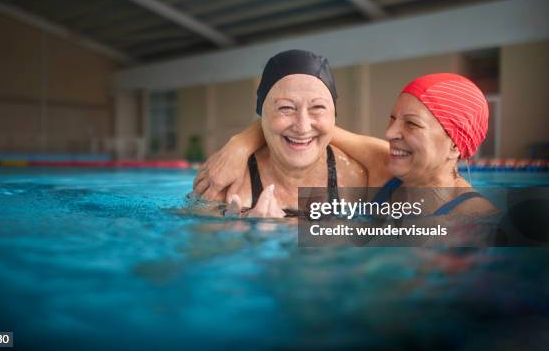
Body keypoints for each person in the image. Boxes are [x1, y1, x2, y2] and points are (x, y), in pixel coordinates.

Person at [195, 73, 496, 217]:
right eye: (393, 118)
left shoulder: (475, 217)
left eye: (411, 124)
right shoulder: (386, 168)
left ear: (456, 146)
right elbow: (316, 129)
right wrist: (240, 144)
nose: (390, 132)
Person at [191, 49, 367, 218]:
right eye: (286, 108)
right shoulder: (227, 184)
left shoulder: (355, 179)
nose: (303, 127)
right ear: (262, 115)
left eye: (318, 107)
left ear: (334, 114)